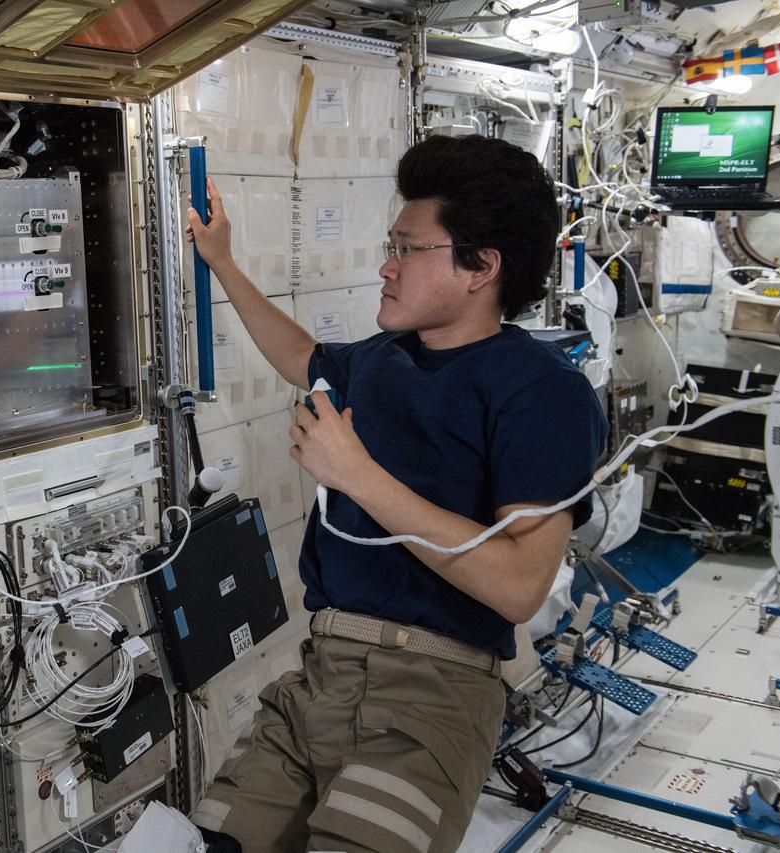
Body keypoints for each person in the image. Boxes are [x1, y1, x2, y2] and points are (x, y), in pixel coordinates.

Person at [184, 134, 607, 853]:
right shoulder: (380, 361)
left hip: (433, 697)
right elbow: (296, 354)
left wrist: (358, 476)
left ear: (481, 266)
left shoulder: (542, 394)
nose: (387, 265)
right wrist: (221, 260)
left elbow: (517, 587)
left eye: (410, 249)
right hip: (318, 679)